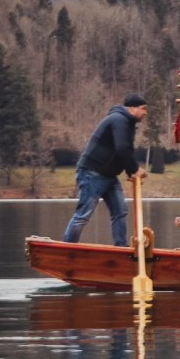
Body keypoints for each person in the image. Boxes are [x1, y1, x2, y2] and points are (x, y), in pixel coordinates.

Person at [63, 93, 149, 247]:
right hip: (92, 173)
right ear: (132, 108)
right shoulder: (119, 120)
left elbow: (125, 151)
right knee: (83, 215)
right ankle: (66, 249)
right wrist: (135, 169)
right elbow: (122, 148)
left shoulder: (128, 123)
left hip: (109, 175)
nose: (145, 112)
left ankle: (121, 249)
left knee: (120, 211)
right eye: (143, 109)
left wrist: (131, 173)